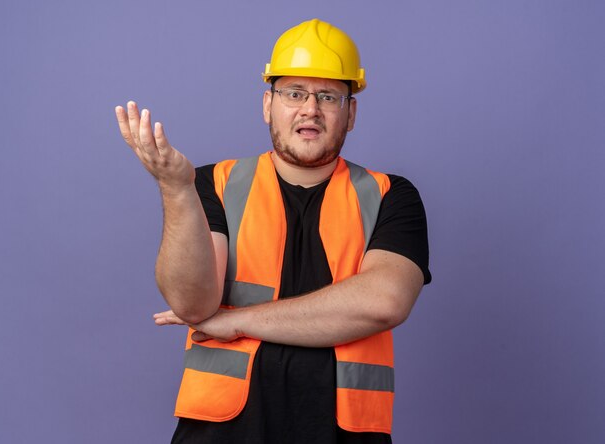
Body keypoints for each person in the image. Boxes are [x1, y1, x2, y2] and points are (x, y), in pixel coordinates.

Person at [115, 18, 431, 444]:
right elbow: (192, 303)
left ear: (350, 113)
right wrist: (175, 189)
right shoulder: (213, 185)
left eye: (329, 96)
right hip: (220, 434)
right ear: (268, 105)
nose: (310, 109)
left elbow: (383, 302)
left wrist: (238, 321)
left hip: (343, 436)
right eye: (294, 93)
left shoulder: (391, 195)